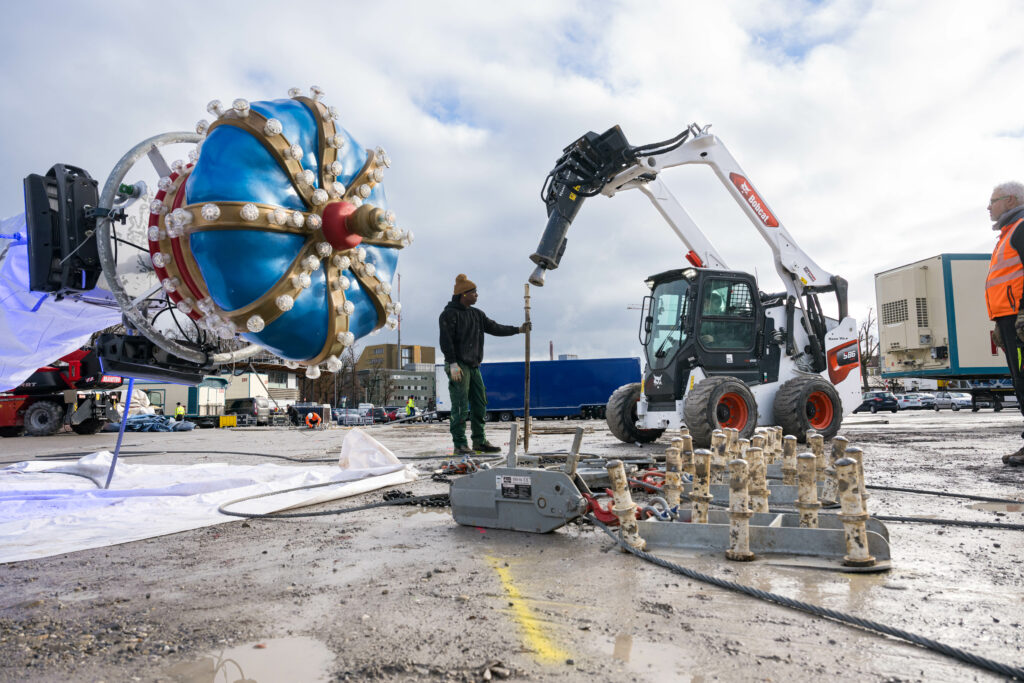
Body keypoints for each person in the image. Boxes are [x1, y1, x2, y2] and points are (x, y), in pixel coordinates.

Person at [439, 274, 529, 455]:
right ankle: (460, 444)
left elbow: (495, 328)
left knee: (480, 403)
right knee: (460, 405)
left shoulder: (477, 315)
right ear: (463, 294)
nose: (477, 296)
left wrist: (518, 330)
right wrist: (452, 363)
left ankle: (479, 441)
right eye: (474, 293)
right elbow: (446, 341)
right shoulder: (448, 315)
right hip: (458, 365)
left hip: (473, 366)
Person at [985, 181, 1024, 466]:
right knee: (1020, 382)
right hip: (1009, 319)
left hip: (1019, 319)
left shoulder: (1021, 228)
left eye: (994, 200)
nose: (989, 206)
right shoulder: (1008, 233)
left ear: (1011, 201)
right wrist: (1001, 321)